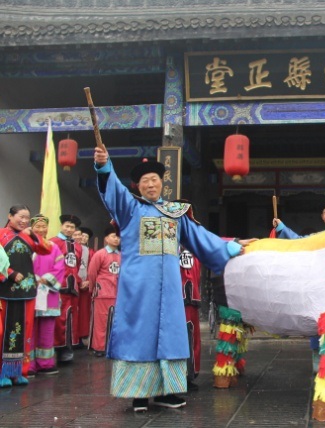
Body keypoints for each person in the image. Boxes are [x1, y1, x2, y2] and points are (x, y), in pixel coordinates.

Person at [94, 147, 251, 412]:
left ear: (162, 183)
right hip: (138, 288)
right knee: (139, 336)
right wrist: (104, 167)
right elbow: (114, 192)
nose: (150, 184)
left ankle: (166, 392)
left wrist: (231, 244)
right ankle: (138, 394)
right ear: (137, 186)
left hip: (168, 289)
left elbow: (201, 238)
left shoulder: (175, 213)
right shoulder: (129, 209)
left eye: (154, 180)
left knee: (170, 336)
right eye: (145, 181)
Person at [272, 197, 325, 372]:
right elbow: (299, 241)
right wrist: (281, 227)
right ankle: (319, 359)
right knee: (318, 320)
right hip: (322, 286)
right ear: (322, 216)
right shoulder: (317, 237)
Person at [0, 205, 52, 387]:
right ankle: (2, 372)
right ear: (10, 216)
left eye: (26, 218)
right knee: (3, 332)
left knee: (25, 331)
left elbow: (46, 249)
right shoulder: (1, 235)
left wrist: (34, 235)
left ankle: (20, 371)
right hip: (5, 290)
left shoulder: (28, 236)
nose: (23, 221)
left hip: (27, 290)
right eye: (20, 217)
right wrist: (10, 273)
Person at [29, 214, 64, 376]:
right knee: (29, 328)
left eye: (44, 226)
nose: (41, 229)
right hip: (29, 291)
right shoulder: (26, 245)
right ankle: (28, 364)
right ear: (31, 228)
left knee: (47, 329)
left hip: (48, 292)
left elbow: (60, 267)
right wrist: (32, 279)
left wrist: (46, 280)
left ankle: (45, 363)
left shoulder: (53, 247)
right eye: (38, 226)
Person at [50, 214, 82, 363]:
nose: (69, 229)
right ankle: (54, 351)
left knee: (71, 320)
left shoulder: (77, 247)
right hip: (57, 288)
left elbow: (76, 265)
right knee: (57, 320)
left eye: (72, 227)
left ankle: (67, 350)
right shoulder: (53, 242)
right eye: (67, 226)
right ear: (61, 226)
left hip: (72, 289)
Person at [87, 223, 121, 358]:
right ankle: (99, 347)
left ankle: (113, 347)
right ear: (106, 239)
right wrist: (93, 289)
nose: (116, 239)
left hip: (117, 294)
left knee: (115, 322)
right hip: (102, 293)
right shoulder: (100, 254)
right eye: (113, 236)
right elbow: (92, 273)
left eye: (118, 237)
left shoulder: (122, 255)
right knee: (101, 322)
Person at [179, 247, 202, 390]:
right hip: (184, 300)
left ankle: (188, 374)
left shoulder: (194, 252)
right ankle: (185, 375)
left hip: (188, 300)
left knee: (191, 338)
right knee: (188, 338)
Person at [77, 226, 94, 345]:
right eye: (82, 235)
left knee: (84, 312)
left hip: (85, 286)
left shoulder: (92, 252)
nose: (83, 238)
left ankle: (82, 335)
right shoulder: (73, 249)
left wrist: (88, 281)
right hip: (74, 284)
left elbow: (93, 269)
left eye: (86, 237)